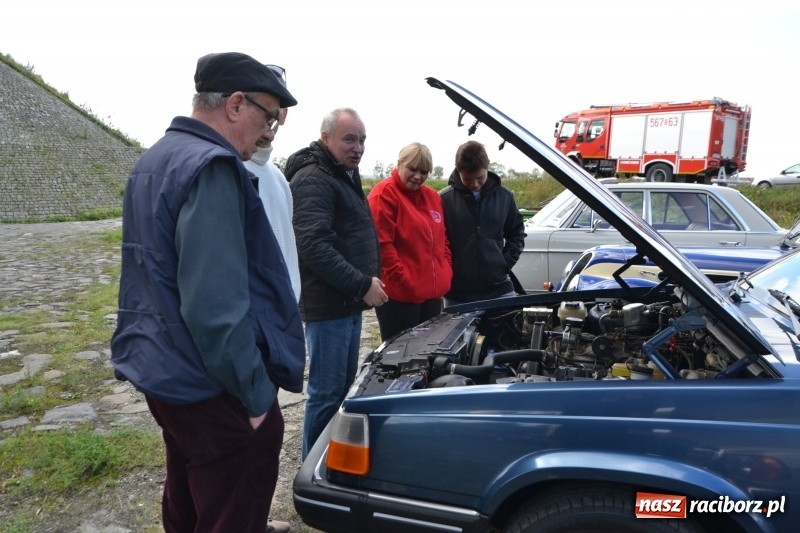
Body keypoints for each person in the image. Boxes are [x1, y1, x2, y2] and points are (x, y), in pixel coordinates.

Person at [110, 52, 304, 533]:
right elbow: (216, 310)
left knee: (189, 486)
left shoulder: (155, 157)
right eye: (268, 117)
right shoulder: (213, 166)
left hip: (164, 369)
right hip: (209, 381)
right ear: (236, 104)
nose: (268, 133)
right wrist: (257, 398)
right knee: (233, 505)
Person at [285, 108, 386, 459]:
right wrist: (361, 284)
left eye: (361, 140)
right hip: (330, 306)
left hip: (346, 303)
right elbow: (312, 245)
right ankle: (312, 469)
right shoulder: (315, 178)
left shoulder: (341, 175)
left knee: (342, 390)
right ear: (325, 137)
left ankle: (329, 462)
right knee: (326, 393)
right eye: (349, 139)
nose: (357, 147)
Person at [367, 142, 452, 340]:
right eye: (412, 169)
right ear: (399, 164)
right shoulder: (384, 195)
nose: (418, 176)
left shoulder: (432, 197)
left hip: (432, 294)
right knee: (399, 358)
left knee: (429, 355)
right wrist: (403, 281)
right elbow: (382, 246)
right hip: (400, 298)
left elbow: (443, 239)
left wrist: (445, 270)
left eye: (424, 172)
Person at [439, 140, 526, 306]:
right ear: (458, 171)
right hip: (458, 294)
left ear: (487, 167)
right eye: (467, 179)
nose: (474, 184)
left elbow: (517, 234)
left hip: (500, 288)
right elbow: (438, 243)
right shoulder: (444, 200)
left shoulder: (505, 197)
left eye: (479, 178)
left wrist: (504, 264)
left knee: (508, 331)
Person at [244, 65, 301, 302]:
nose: (269, 128)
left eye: (275, 116)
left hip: (285, 314)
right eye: (265, 114)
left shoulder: (279, 178)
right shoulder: (231, 172)